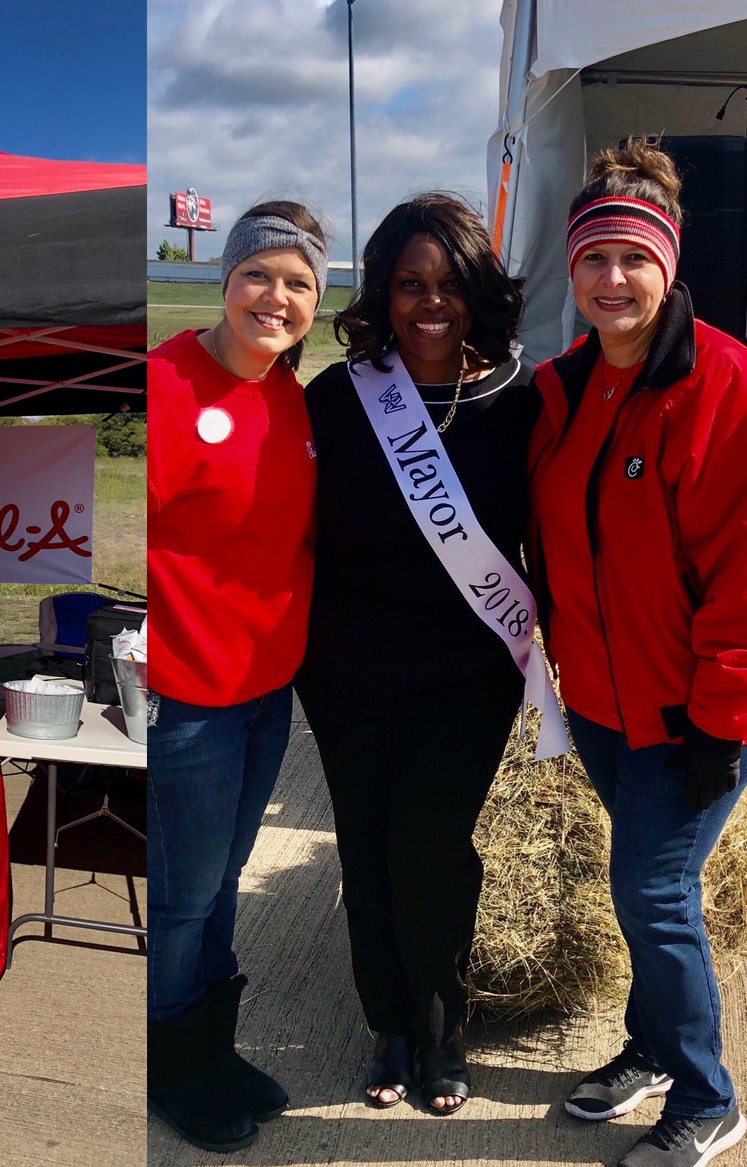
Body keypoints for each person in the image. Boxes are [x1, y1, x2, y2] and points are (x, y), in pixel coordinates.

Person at [527, 141, 747, 1167]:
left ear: (669, 263)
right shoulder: (564, 387)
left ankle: (707, 1101)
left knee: (653, 897)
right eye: (593, 259)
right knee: (644, 892)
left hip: (689, 712)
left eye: (633, 258)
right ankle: (653, 1049)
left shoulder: (724, 383)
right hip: (602, 706)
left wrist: (722, 720)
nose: (612, 279)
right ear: (571, 270)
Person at [294, 193, 535, 1115]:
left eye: (449, 284)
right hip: (348, 670)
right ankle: (387, 1026)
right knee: (364, 846)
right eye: (408, 284)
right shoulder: (337, 398)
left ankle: (442, 1031)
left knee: (431, 850)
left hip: (467, 676)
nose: (430, 303)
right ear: (382, 293)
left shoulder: (519, 399)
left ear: (478, 291)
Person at [147, 201, 324, 1151]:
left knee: (222, 882)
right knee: (182, 897)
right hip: (188, 699)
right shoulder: (168, 382)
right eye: (259, 274)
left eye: (299, 282)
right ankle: (171, 1067)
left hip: (263, 690)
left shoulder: (288, 392)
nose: (276, 297)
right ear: (225, 279)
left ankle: (210, 1048)